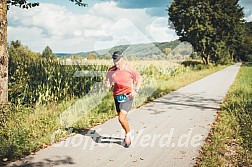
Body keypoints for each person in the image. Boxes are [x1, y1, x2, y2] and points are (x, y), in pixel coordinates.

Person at [105, 51, 142, 147]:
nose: (116, 62)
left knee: (121, 118)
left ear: (122, 59)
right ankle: (128, 131)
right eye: (114, 60)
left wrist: (136, 90)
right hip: (117, 96)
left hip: (128, 96)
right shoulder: (111, 70)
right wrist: (107, 84)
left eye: (117, 60)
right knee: (122, 119)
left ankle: (128, 134)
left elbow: (139, 79)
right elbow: (108, 80)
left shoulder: (129, 70)